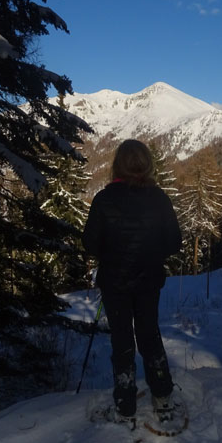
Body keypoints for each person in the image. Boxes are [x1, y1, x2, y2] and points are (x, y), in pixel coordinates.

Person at [82, 139, 182, 424]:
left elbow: (90, 243)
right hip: (149, 281)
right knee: (150, 336)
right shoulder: (159, 198)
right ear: (147, 164)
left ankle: (125, 404)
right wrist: (151, 251)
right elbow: (175, 241)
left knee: (122, 339)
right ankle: (162, 395)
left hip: (115, 283)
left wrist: (111, 251)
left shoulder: (104, 199)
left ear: (118, 165)